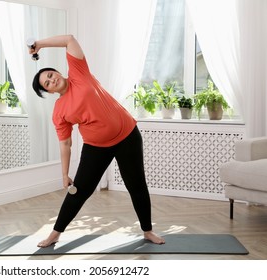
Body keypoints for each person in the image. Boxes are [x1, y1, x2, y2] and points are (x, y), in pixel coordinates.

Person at [29, 35, 165, 247]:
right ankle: (55, 233)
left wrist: (40, 44)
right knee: (80, 190)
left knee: (136, 184)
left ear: (56, 71)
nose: (51, 80)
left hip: (128, 136)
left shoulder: (78, 73)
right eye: (47, 83)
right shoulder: (59, 111)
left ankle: (148, 230)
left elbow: (69, 40)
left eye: (50, 75)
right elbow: (65, 144)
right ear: (49, 91)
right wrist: (64, 174)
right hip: (97, 147)